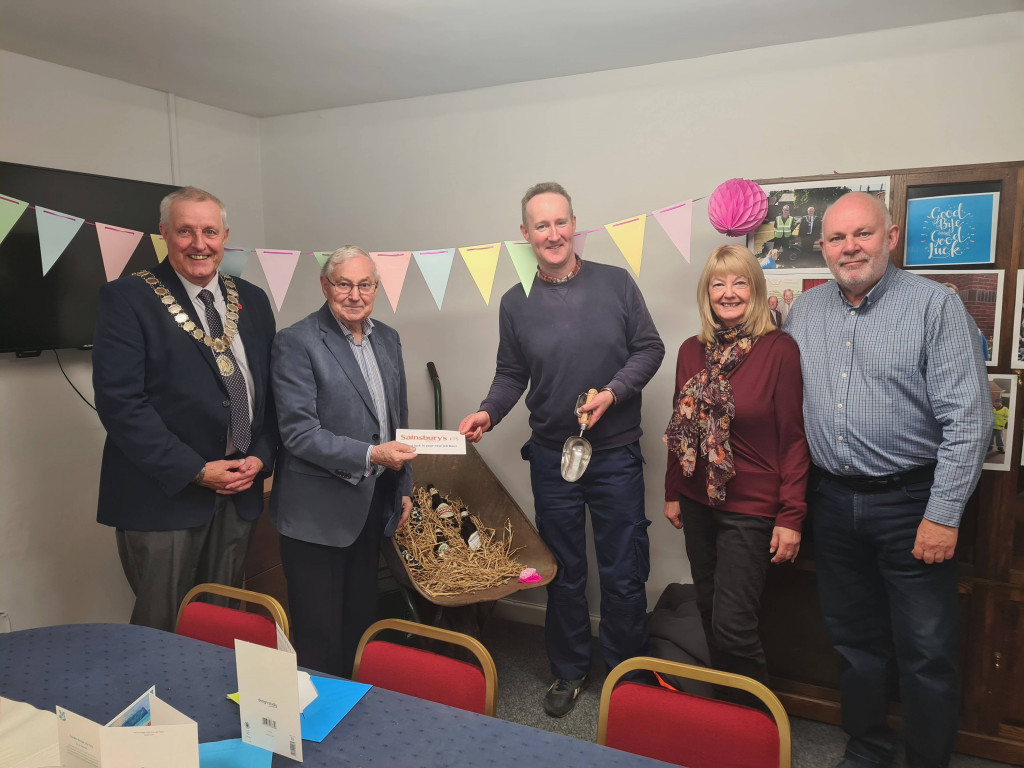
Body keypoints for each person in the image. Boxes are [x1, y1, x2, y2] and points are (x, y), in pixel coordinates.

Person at [784, 192, 991, 768]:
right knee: (855, 645)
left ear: (891, 236)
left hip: (912, 504)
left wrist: (943, 514)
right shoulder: (806, 312)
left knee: (927, 651)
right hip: (831, 501)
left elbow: (969, 421)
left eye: (863, 234)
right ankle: (867, 749)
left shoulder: (935, 307)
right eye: (837, 238)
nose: (850, 247)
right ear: (822, 247)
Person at [459, 182, 665, 717]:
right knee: (563, 570)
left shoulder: (616, 283)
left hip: (615, 453)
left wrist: (614, 392)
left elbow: (650, 348)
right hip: (553, 458)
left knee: (623, 571)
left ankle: (626, 676)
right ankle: (569, 671)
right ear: (525, 234)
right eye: (540, 225)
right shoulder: (514, 301)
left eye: (560, 222)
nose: (553, 234)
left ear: (575, 224)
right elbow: (511, 374)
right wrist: (488, 410)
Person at [93, 186, 278, 632]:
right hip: (165, 496)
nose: (199, 243)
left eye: (210, 231)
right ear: (164, 235)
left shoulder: (251, 299)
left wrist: (262, 457)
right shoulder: (127, 299)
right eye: (185, 231)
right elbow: (121, 405)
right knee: (163, 628)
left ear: (225, 235)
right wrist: (196, 470)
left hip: (240, 491)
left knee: (223, 624)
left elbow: (272, 394)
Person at [663, 244, 807, 698]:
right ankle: (724, 719)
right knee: (708, 613)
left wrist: (791, 515)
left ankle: (758, 732)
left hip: (752, 505)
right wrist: (672, 490)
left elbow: (794, 438)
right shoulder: (691, 350)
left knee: (734, 626)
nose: (729, 293)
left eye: (739, 282)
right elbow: (679, 427)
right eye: (718, 283)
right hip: (696, 501)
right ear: (707, 294)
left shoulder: (778, 350)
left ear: (756, 289)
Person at [270, 246, 416, 678]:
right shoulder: (296, 341)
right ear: (325, 286)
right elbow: (298, 433)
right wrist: (372, 455)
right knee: (319, 635)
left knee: (360, 623)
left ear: (377, 287)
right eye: (344, 284)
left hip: (370, 505)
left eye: (365, 284)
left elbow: (397, 421)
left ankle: (355, 719)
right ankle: (316, 728)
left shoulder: (387, 338)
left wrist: (403, 486)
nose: (355, 294)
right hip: (315, 514)